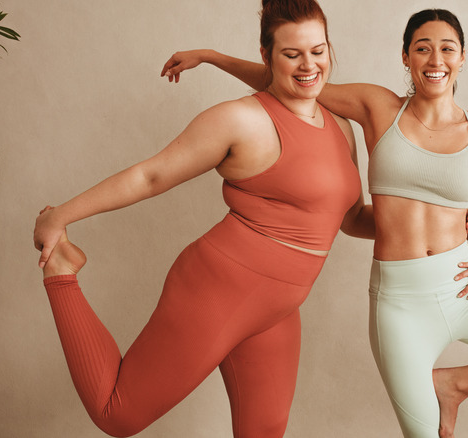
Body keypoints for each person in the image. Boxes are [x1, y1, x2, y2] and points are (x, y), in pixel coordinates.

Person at [162, 7, 468, 438]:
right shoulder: (379, 107)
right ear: (405, 56)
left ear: (462, 57)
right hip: (400, 305)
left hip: (462, 289)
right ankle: (444, 387)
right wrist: (213, 57)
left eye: (447, 48)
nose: (435, 59)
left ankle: (455, 384)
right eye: (422, 48)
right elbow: (290, 81)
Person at [33, 1, 381, 436]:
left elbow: (351, 219)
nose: (308, 64)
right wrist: (60, 217)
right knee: (117, 414)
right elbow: (151, 175)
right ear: (266, 55)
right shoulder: (240, 119)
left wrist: (438, 222)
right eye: (292, 54)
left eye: (318, 50)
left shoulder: (339, 126)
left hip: (278, 309)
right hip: (220, 288)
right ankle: (63, 274)